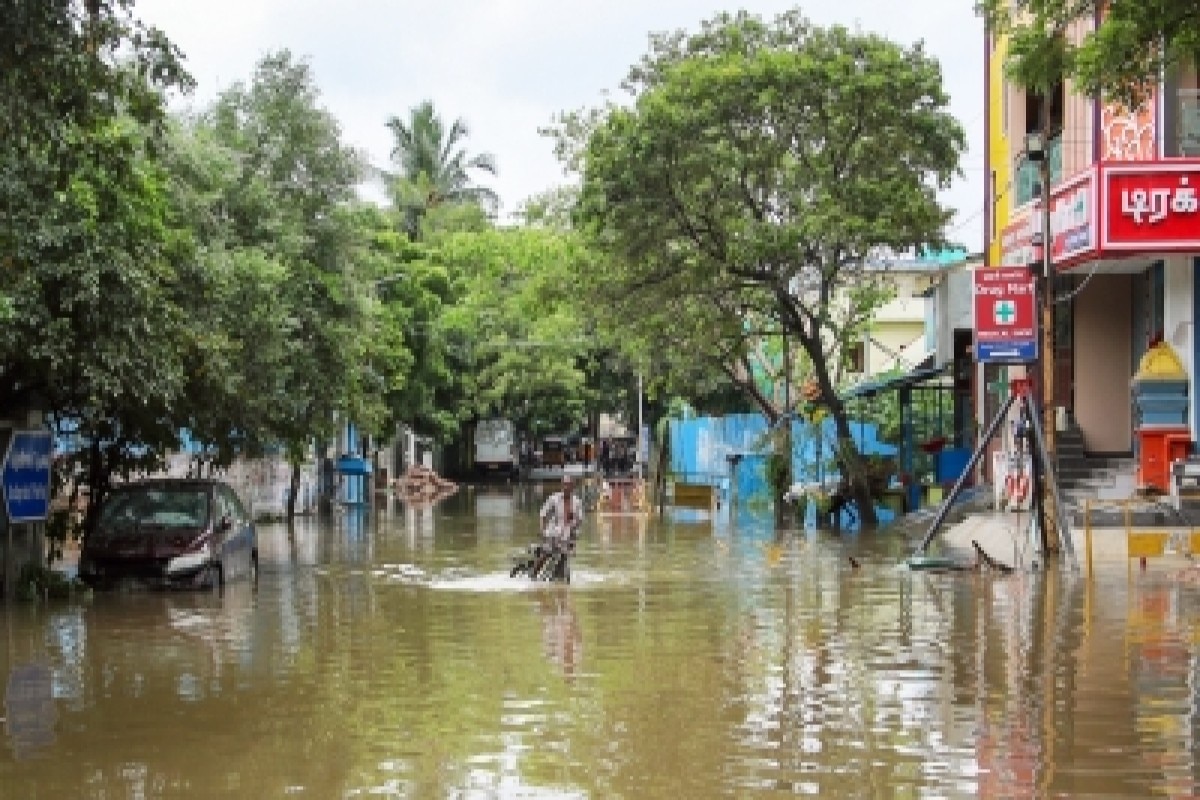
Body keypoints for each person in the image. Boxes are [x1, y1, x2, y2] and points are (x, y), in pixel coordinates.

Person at [540, 475, 584, 544]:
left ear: (572, 487)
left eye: (568, 485)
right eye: (564, 484)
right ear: (561, 485)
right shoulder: (553, 498)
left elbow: (580, 520)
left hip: (569, 534)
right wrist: (543, 532)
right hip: (553, 532)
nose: (566, 487)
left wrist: (572, 526)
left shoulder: (577, 502)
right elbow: (543, 515)